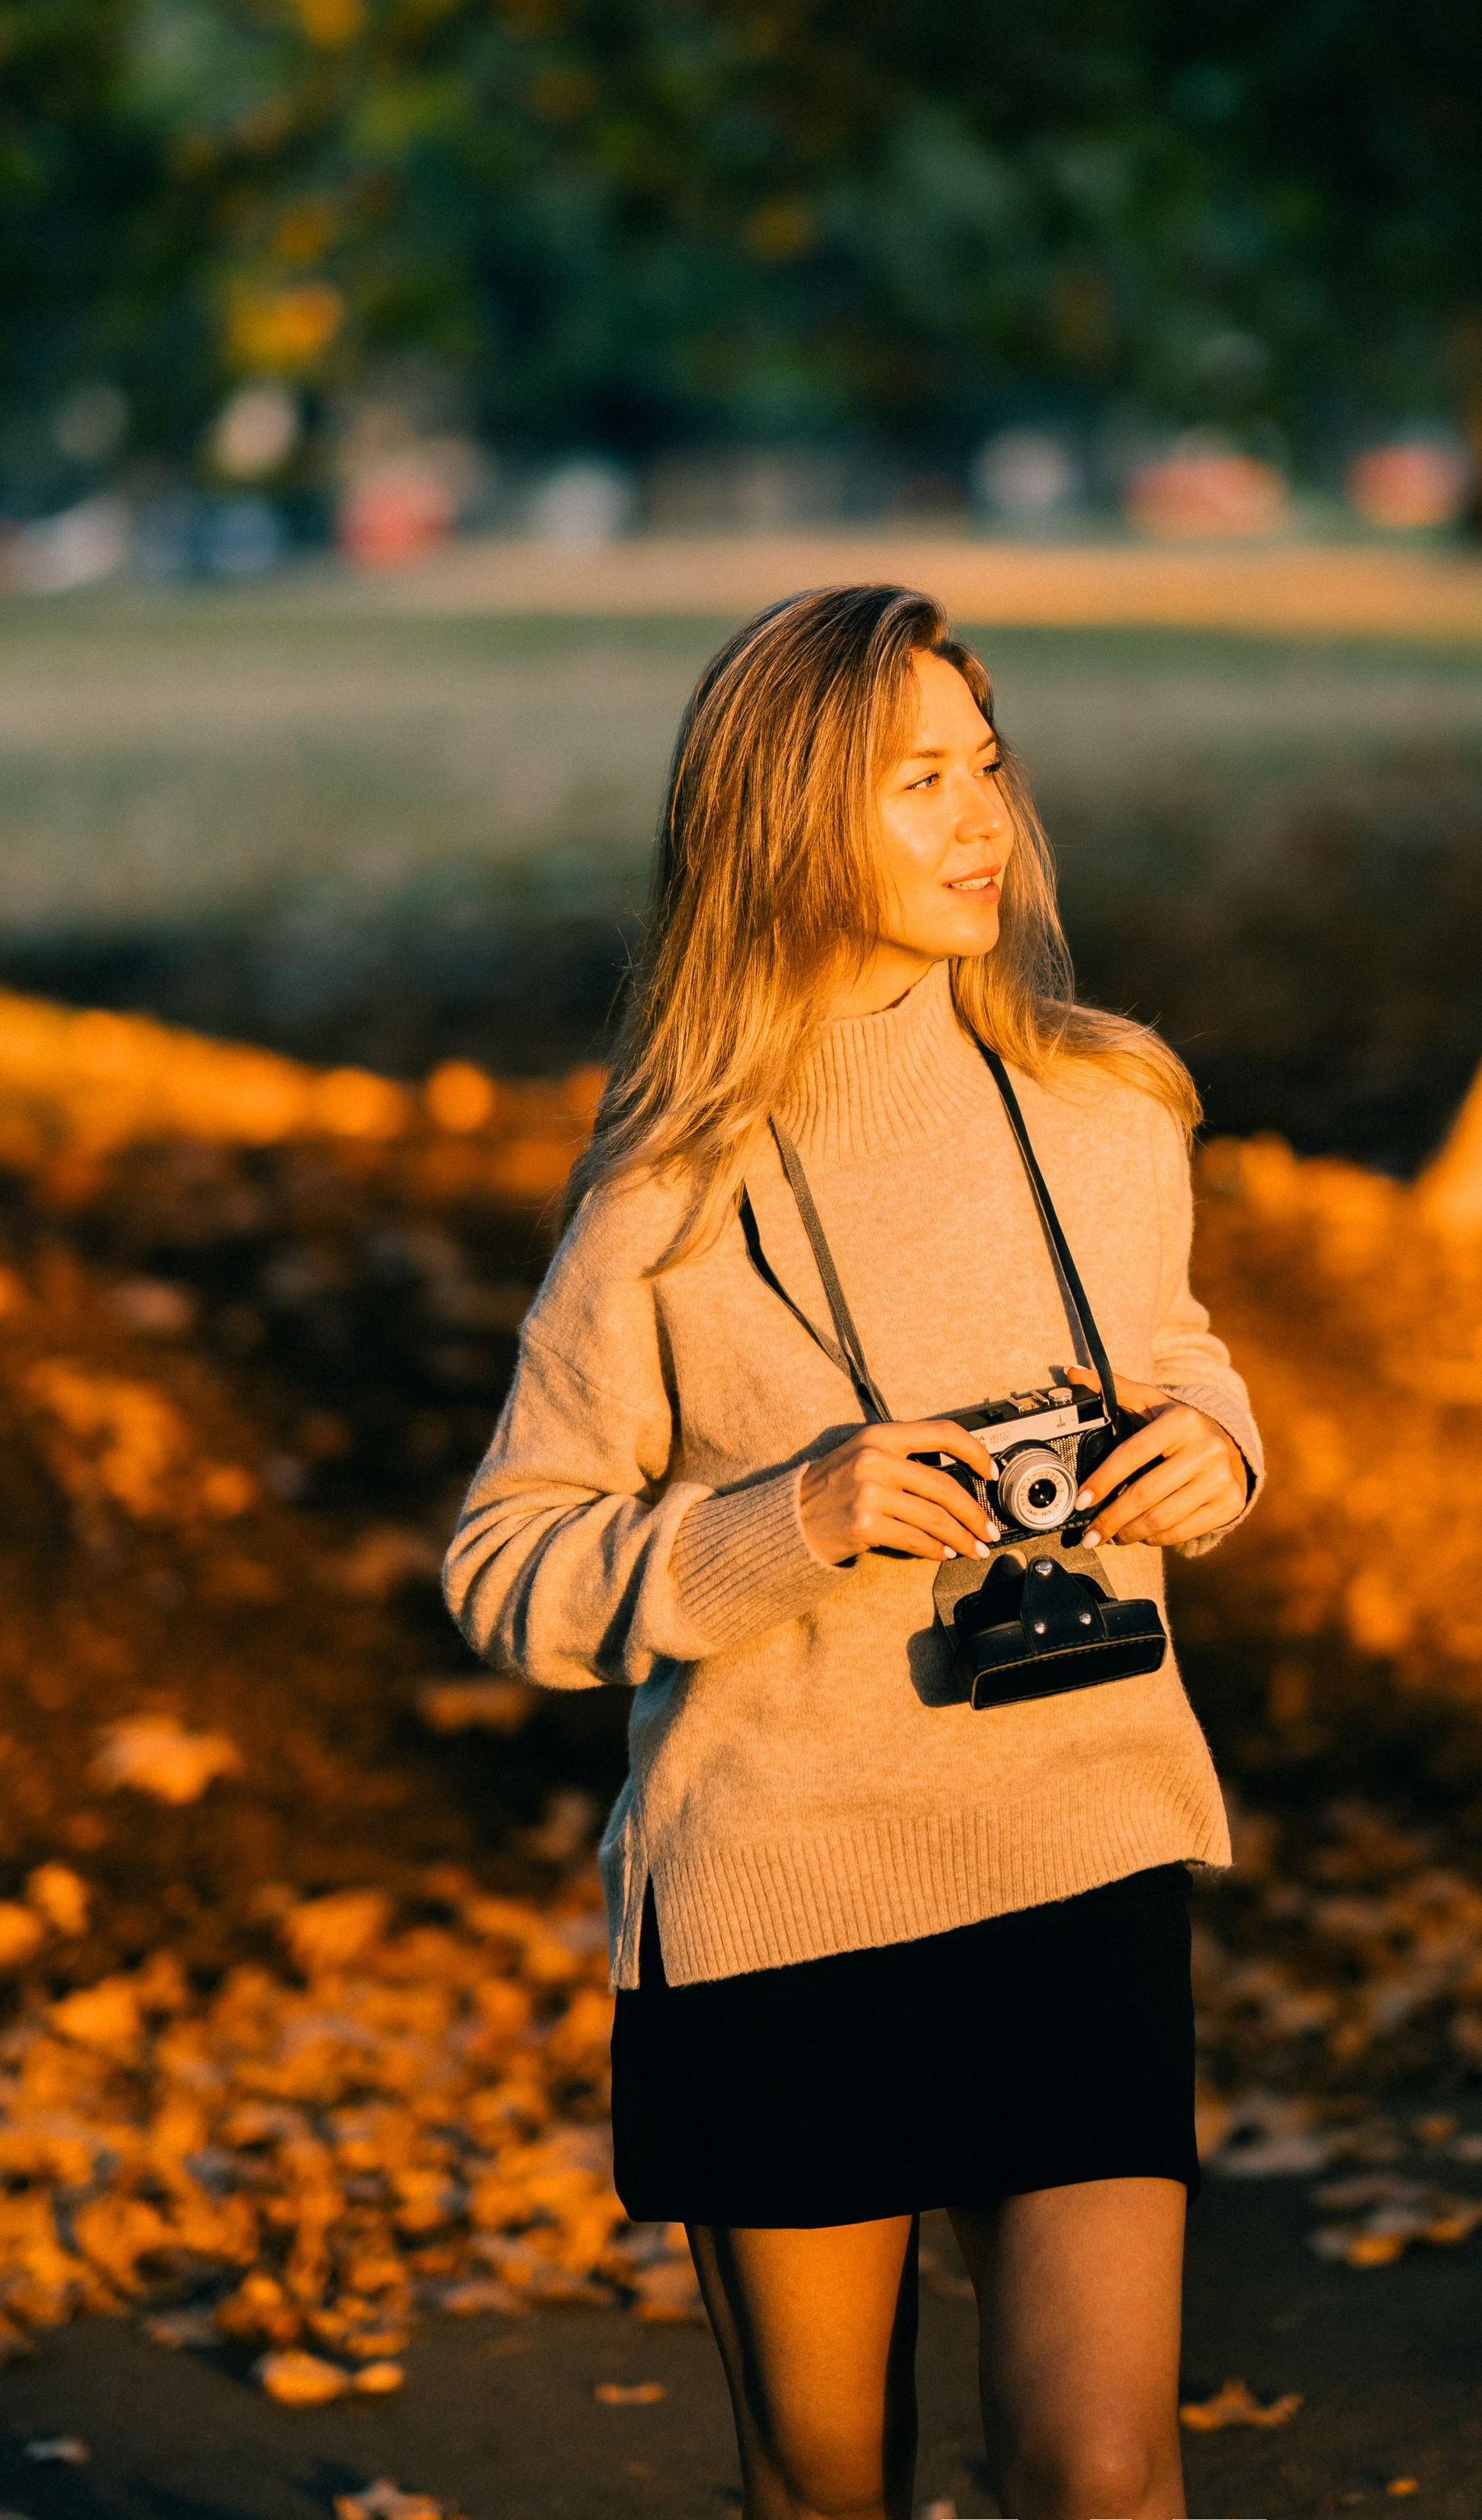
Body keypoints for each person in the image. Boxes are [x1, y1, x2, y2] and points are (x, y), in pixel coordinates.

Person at [444, 583, 1264, 2520]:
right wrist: (781, 1524)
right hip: (781, 1891)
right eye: (917, 783)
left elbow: (1177, 1356)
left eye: (986, 766)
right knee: (824, 2490)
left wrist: (1211, 1454)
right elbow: (505, 1564)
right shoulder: (665, 1186)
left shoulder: (1109, 1107)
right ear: (788, 820)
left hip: (1079, 1839)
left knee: (1102, 2470)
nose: (982, 820)